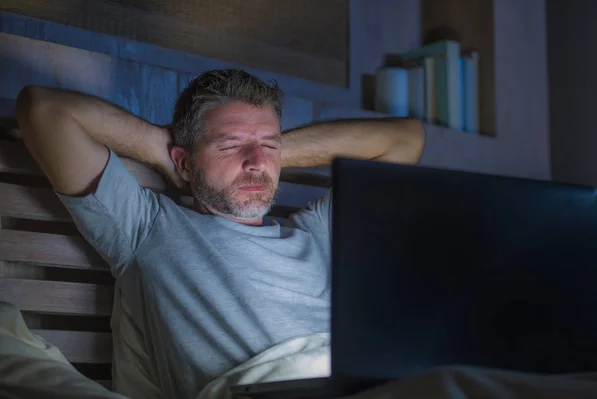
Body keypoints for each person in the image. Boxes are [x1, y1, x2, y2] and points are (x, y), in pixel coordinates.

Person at [15, 69, 425, 399]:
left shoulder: (317, 230)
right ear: (186, 164)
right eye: (229, 146)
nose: (255, 164)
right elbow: (44, 109)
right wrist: (167, 149)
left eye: (269, 145)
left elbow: (406, 140)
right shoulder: (146, 227)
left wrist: (262, 150)